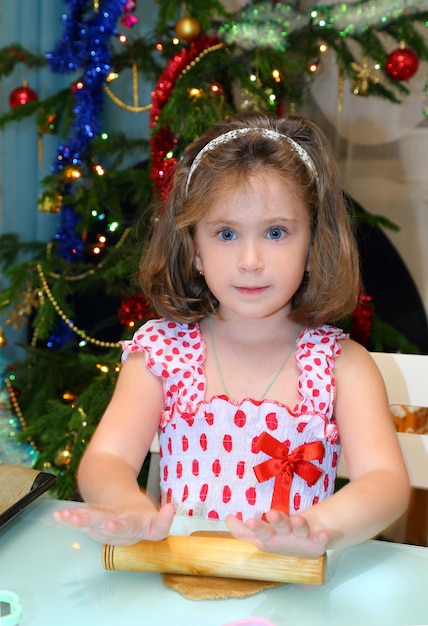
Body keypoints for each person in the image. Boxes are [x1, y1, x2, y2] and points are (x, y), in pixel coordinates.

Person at [54, 111, 410, 557]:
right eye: (225, 233)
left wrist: (314, 529)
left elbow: (386, 483)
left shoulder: (341, 365)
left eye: (276, 232)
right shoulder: (161, 354)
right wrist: (129, 508)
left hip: (294, 593)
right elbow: (106, 460)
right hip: (183, 583)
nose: (250, 260)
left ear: (312, 244)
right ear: (195, 249)